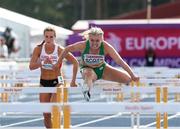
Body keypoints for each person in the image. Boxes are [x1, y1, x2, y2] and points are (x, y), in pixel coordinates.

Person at [55, 27, 139, 101]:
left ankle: (96, 82)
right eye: (92, 40)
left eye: (97, 41)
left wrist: (132, 75)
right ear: (88, 39)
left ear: (102, 40)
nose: (94, 43)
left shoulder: (106, 46)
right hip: (87, 69)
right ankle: (86, 89)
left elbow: (119, 61)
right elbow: (66, 49)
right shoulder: (83, 45)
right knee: (89, 73)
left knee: (127, 79)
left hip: (102, 69)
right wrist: (58, 62)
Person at [29, 27, 78, 128]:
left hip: (58, 81)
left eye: (51, 37)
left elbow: (75, 62)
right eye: (46, 36)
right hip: (44, 82)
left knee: (54, 108)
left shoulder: (60, 49)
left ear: (55, 37)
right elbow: (31, 66)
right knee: (46, 114)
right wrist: (42, 62)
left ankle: (58, 125)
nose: (49, 39)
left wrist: (73, 81)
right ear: (44, 37)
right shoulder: (38, 49)